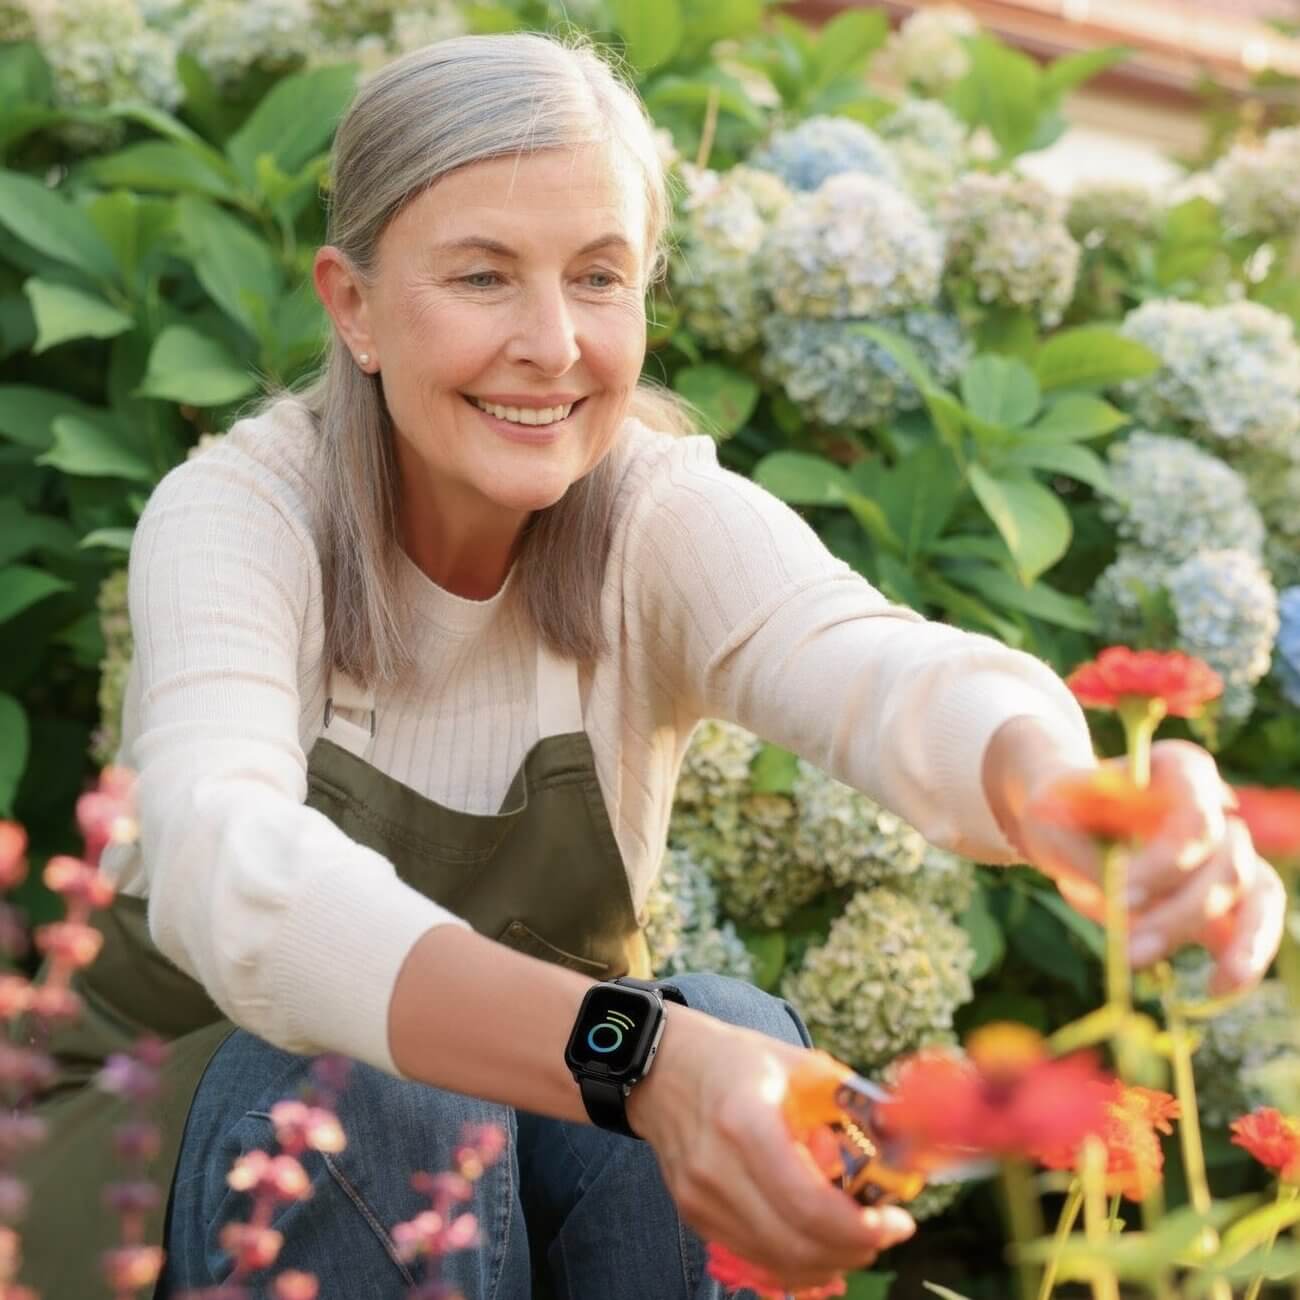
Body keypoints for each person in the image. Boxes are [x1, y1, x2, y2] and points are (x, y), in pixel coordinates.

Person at [23, 30, 1284, 1300]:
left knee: (729, 1030)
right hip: (169, 1167)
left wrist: (1068, 795)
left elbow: (880, 667)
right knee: (388, 1091)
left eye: (598, 276)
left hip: (507, 1149)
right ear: (352, 304)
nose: (552, 343)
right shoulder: (240, 517)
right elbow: (235, 873)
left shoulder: (649, 517)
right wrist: (641, 1055)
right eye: (482, 276)